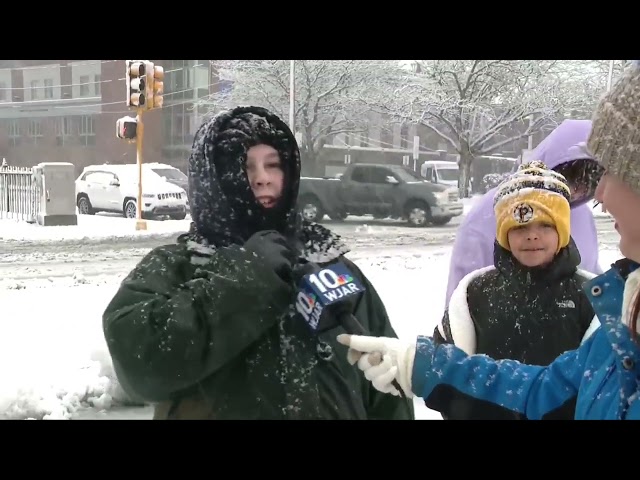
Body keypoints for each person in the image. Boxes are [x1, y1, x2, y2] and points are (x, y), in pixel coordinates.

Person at [335, 61, 640, 420]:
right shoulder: (620, 313)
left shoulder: (594, 297)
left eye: (612, 172)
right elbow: (547, 390)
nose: (598, 193)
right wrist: (422, 364)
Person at [101, 105, 414, 420]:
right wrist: (242, 281)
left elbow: (388, 391)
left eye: (273, 164)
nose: (263, 179)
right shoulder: (179, 267)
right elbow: (140, 368)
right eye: (246, 166)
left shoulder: (330, 266)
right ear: (213, 179)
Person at [433, 160, 598, 420]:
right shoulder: (474, 293)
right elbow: (443, 368)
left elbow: (602, 382)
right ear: (503, 234)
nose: (532, 236)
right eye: (520, 227)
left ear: (563, 231)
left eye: (545, 225)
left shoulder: (589, 295)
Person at [445, 119, 605, 308]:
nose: (578, 190)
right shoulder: (488, 214)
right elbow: (461, 299)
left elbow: (591, 276)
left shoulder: (583, 216)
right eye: (573, 176)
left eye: (590, 182)